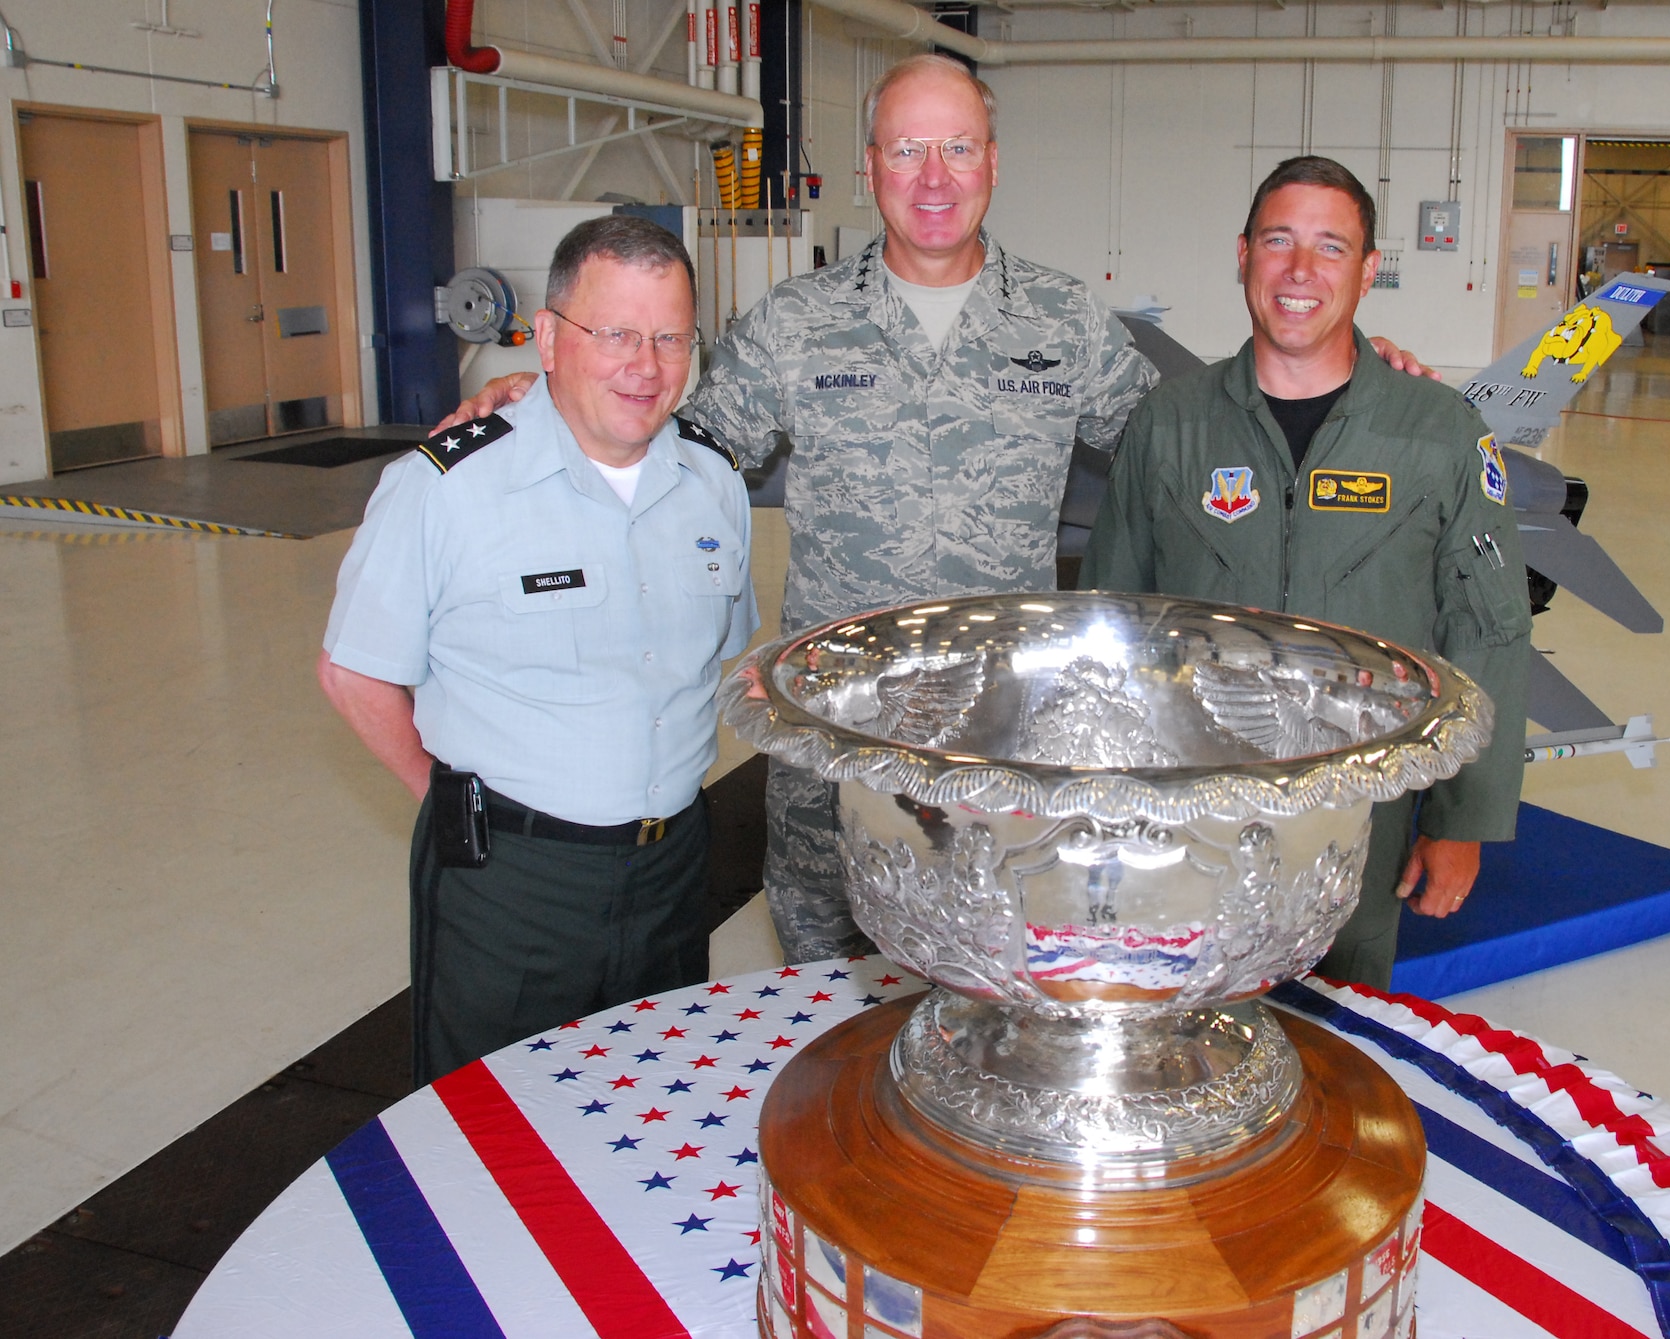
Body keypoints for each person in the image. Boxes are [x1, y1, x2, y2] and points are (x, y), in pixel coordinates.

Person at [446, 57, 1440, 966]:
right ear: (871, 164)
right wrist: (542, 400)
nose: (933, 177)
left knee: (991, 1016)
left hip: (1000, 779)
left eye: (956, 148)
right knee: (828, 1022)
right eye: (909, 149)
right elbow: (670, 445)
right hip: (833, 774)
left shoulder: (1061, 323)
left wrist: (1345, 374)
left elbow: (1189, 441)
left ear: (992, 164)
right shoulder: (795, 326)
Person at [319, 215, 757, 1083]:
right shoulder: (447, 487)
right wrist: (455, 806)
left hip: (672, 870)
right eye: (617, 333)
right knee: (491, 1134)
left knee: (652, 1109)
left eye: (671, 337)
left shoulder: (713, 480)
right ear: (550, 338)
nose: (647, 364)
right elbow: (355, 673)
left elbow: (720, 658)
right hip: (511, 886)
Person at [1078, 156, 1533, 991]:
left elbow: (1491, 628)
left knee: (1339, 1030)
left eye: (1331, 247)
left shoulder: (1436, 432)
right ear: (1244, 253)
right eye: (1279, 240)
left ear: (1366, 270)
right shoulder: (1171, 425)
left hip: (1363, 813)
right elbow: (1112, 616)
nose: (1300, 270)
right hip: (1187, 811)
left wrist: (1464, 818)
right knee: (1177, 1021)